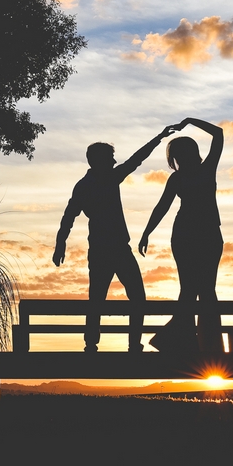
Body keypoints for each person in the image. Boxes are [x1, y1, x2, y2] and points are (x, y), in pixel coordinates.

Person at [53, 127, 178, 353]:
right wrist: (60, 243)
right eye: (110, 158)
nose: (114, 162)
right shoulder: (97, 182)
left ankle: (112, 344)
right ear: (100, 161)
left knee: (113, 298)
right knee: (107, 298)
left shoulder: (94, 182)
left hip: (115, 248)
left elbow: (136, 159)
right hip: (108, 249)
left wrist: (60, 243)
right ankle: (102, 344)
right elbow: (68, 216)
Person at [138, 117, 225, 355]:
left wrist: (189, 121)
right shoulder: (178, 178)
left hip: (207, 235)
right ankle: (192, 343)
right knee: (192, 290)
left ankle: (200, 344)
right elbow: (162, 207)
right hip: (187, 236)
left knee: (205, 290)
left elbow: (218, 134)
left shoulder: (206, 169)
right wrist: (146, 232)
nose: (182, 157)